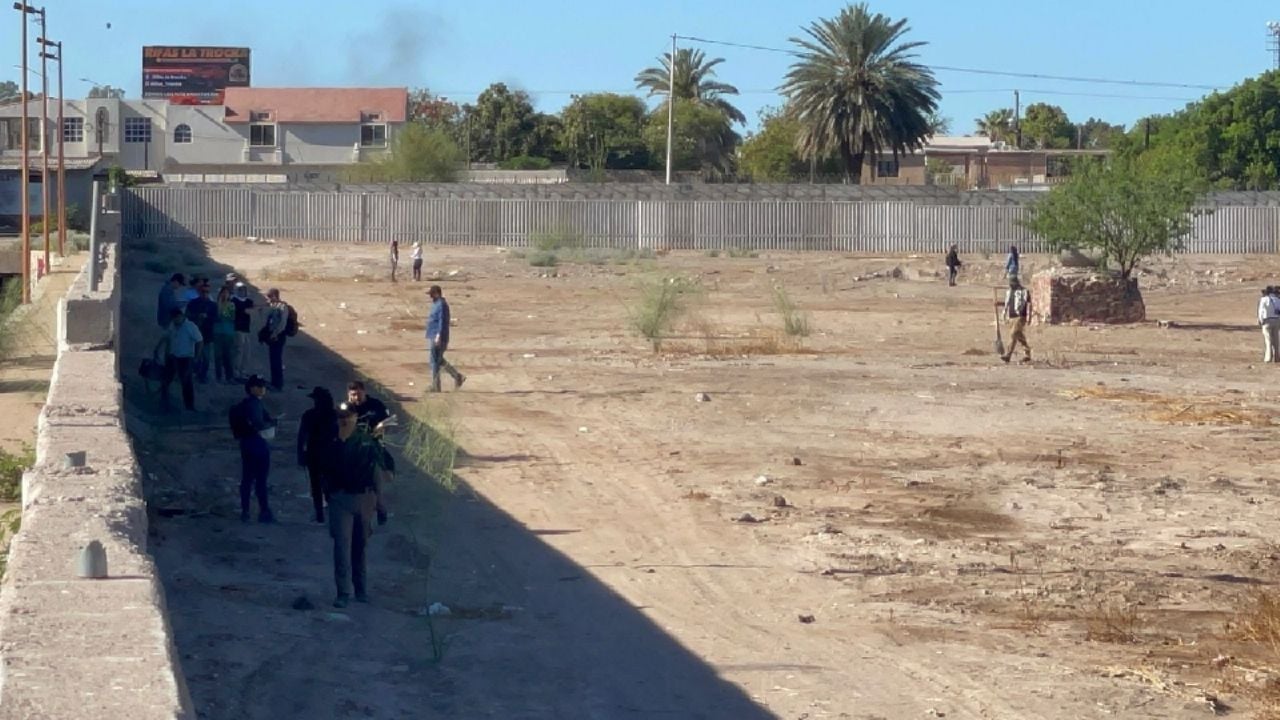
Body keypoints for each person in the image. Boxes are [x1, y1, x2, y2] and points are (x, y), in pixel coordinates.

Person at [326, 404, 392, 608]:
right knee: (341, 546)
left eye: (348, 415)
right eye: (340, 416)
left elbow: (376, 474)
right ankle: (343, 592)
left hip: (364, 498)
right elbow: (321, 472)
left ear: (356, 417)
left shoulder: (366, 442)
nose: (344, 419)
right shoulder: (330, 441)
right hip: (340, 499)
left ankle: (360, 589)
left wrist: (380, 504)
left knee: (359, 546)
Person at [232, 375, 277, 523]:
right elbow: (259, 423)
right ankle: (264, 511)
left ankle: (245, 511)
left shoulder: (244, 404)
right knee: (260, 480)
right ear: (252, 388)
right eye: (259, 386)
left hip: (246, 443)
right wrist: (271, 423)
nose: (263, 389)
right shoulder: (255, 404)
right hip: (257, 443)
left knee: (247, 478)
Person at [297, 387, 338, 523]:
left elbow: (302, 437)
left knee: (315, 485)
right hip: (331, 453)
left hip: (313, 453)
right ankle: (332, 511)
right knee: (330, 483)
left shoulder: (309, 415)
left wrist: (300, 455)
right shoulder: (334, 415)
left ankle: (319, 514)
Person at [426, 285, 465, 392]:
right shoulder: (436, 304)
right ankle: (457, 376)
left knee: (435, 361)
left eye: (431, 294)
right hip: (433, 335)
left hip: (439, 336)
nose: (430, 297)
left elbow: (442, 321)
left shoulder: (441, 305)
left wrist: (438, 335)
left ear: (436, 294)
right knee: (438, 360)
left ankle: (436, 386)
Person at [185, 280, 218, 383]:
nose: (205, 294)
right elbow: (187, 316)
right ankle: (193, 373)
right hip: (195, 333)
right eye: (203, 291)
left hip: (207, 334)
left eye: (207, 292)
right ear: (199, 292)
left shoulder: (213, 305)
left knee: (206, 357)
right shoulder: (193, 303)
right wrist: (197, 316)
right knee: (194, 355)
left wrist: (207, 317)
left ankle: (202, 376)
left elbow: (216, 318)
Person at [997, 277, 1032, 364]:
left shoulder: (1024, 292)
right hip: (1011, 317)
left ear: (1016, 282)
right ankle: (1027, 353)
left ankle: (1008, 355)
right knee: (1018, 335)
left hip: (1020, 316)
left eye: (1012, 283)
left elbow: (1029, 304)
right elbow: (1007, 303)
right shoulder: (1009, 292)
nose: (1010, 284)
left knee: (1013, 334)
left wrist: (1029, 317)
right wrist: (1003, 313)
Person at [263, 288, 290, 391]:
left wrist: (275, 334)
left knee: (276, 361)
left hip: (278, 336)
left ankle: (278, 384)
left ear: (275, 296)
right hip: (272, 336)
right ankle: (274, 382)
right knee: (273, 360)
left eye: (270, 297)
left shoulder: (283, 307)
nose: (268, 299)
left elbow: (282, 324)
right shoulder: (273, 306)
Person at [212, 284, 238, 384]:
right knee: (217, 355)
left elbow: (233, 317)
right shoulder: (215, 305)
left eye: (226, 293)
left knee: (228, 355)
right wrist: (219, 304)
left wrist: (225, 315)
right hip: (217, 331)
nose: (225, 295)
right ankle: (218, 376)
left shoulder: (231, 305)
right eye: (223, 293)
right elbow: (217, 316)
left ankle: (229, 376)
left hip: (228, 332)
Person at [231, 282, 255, 379]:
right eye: (240, 289)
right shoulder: (234, 300)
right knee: (239, 350)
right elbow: (245, 311)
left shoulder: (248, 301)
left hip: (246, 329)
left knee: (246, 351)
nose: (242, 291)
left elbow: (252, 311)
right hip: (237, 328)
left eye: (244, 289)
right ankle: (235, 372)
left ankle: (243, 371)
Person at [1259, 286, 1280, 363]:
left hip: (1267, 320)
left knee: (1268, 340)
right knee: (1276, 340)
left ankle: (1268, 357)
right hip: (1276, 320)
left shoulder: (1264, 299)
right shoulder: (1277, 300)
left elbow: (1261, 311)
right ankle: (1277, 357)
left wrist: (1261, 320)